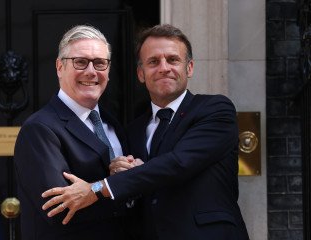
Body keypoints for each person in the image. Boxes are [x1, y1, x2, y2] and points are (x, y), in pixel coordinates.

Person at [41, 24, 250, 240]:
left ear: (189, 68)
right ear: (141, 74)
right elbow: (138, 189)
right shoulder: (131, 130)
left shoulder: (215, 110)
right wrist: (119, 170)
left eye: (172, 60)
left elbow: (178, 163)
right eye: (153, 62)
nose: (163, 68)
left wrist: (99, 187)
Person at [13, 25, 134, 240]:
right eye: (80, 62)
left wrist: (134, 174)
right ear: (60, 67)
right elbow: (58, 210)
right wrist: (115, 183)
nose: (91, 71)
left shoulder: (112, 123)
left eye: (99, 63)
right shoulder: (39, 129)